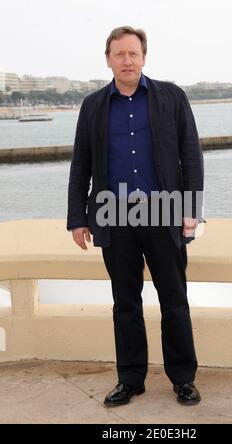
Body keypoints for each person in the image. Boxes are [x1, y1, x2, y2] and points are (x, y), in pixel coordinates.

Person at [67, 26, 205, 406]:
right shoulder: (93, 105)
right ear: (108, 58)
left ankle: (183, 378)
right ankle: (130, 380)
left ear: (144, 56)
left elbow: (191, 157)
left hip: (165, 213)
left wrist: (190, 210)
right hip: (113, 216)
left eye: (133, 53)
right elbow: (81, 164)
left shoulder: (172, 97)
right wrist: (77, 218)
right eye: (118, 54)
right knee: (125, 302)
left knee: (174, 299)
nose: (126, 61)